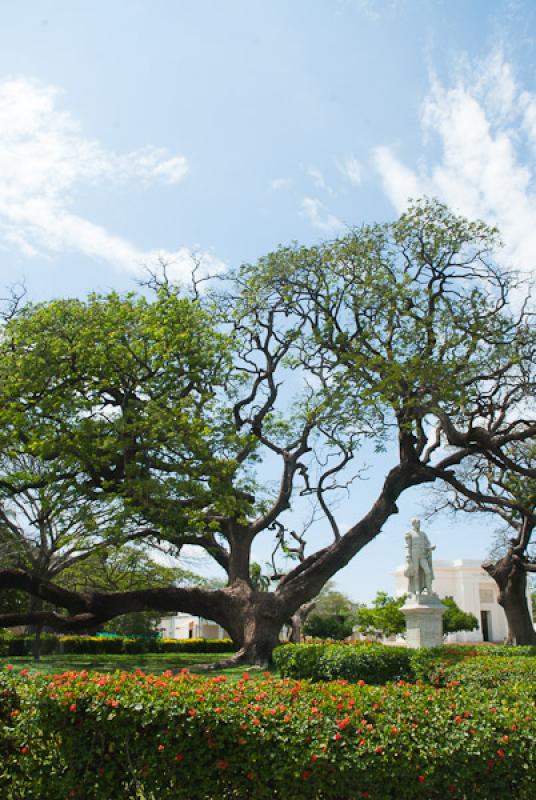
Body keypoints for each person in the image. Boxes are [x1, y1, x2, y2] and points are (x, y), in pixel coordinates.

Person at [403, 518, 435, 594]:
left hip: (423, 554)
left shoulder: (423, 533)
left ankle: (429, 590)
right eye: (417, 523)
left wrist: (431, 547)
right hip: (414, 554)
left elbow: (428, 543)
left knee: (428, 572)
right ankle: (417, 590)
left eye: (419, 523)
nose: (419, 525)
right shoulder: (409, 533)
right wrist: (407, 555)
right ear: (413, 524)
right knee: (416, 572)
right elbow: (407, 546)